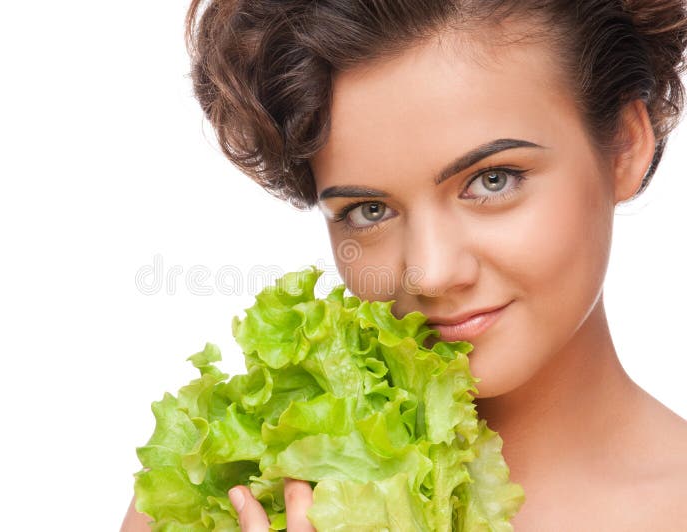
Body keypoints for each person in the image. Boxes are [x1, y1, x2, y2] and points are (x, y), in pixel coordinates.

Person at [123, 0, 687, 529]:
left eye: (492, 180)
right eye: (369, 211)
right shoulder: (221, 482)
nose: (431, 272)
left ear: (625, 146)